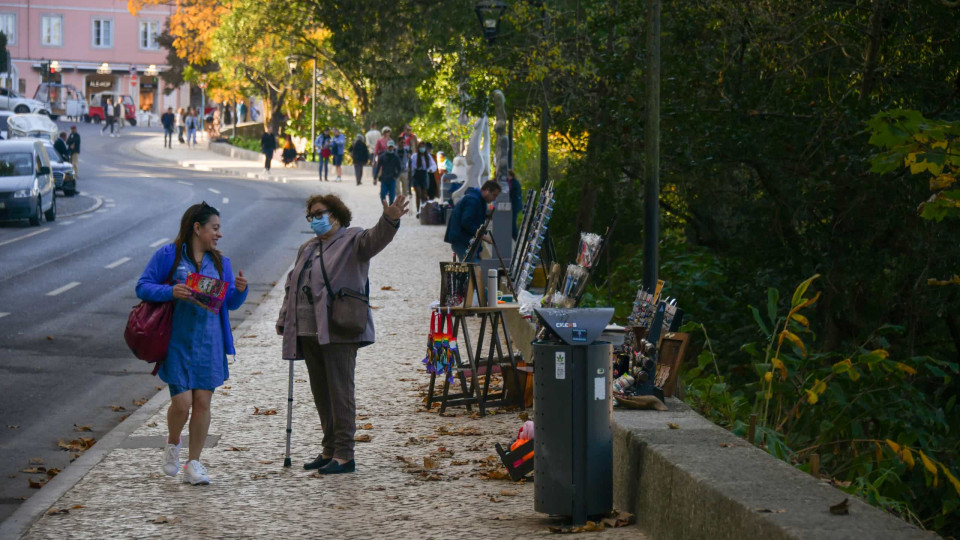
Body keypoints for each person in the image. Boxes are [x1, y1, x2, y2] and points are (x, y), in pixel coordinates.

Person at [277, 192, 408, 474]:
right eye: (311, 215)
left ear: (336, 215)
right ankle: (329, 449)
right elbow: (292, 284)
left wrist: (389, 220)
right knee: (322, 393)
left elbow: (375, 239)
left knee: (340, 392)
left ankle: (345, 455)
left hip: (338, 327)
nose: (315, 219)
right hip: (309, 331)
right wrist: (284, 319)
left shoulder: (353, 240)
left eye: (320, 213)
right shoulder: (307, 247)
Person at [136, 202, 249, 485]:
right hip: (177, 340)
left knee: (202, 402)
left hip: (209, 342)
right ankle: (173, 443)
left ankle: (194, 462)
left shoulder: (222, 263)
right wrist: (170, 291)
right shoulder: (169, 256)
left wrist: (241, 291)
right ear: (197, 228)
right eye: (215, 228)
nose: (219, 234)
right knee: (182, 403)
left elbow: (229, 302)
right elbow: (143, 286)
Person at [444, 180, 501, 261]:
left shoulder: (479, 201)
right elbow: (467, 222)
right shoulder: (473, 200)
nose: (494, 199)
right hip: (462, 241)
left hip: (466, 241)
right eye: (494, 195)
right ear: (487, 190)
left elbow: (478, 225)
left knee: (471, 269)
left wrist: (479, 250)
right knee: (471, 269)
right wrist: (483, 236)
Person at [410, 141, 437, 216]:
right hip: (416, 175)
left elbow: (433, 165)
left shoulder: (428, 156)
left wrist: (431, 169)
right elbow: (410, 165)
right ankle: (418, 211)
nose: (422, 149)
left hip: (424, 175)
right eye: (420, 147)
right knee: (418, 193)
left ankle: (423, 209)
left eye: (423, 147)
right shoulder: (414, 156)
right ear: (418, 148)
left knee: (424, 194)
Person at [375, 140, 402, 204]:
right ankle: (385, 208)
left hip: (392, 178)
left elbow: (399, 168)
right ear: (387, 147)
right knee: (382, 195)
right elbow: (378, 167)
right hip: (384, 178)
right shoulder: (382, 156)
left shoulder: (396, 157)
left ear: (393, 147)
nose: (390, 148)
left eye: (392, 147)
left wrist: (396, 176)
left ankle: (390, 209)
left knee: (392, 197)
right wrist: (375, 177)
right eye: (389, 147)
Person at [508, 169, 523, 240]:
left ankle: (515, 237)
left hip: (514, 205)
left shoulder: (513, 183)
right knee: (512, 221)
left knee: (512, 221)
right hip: (515, 205)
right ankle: (514, 236)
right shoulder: (514, 182)